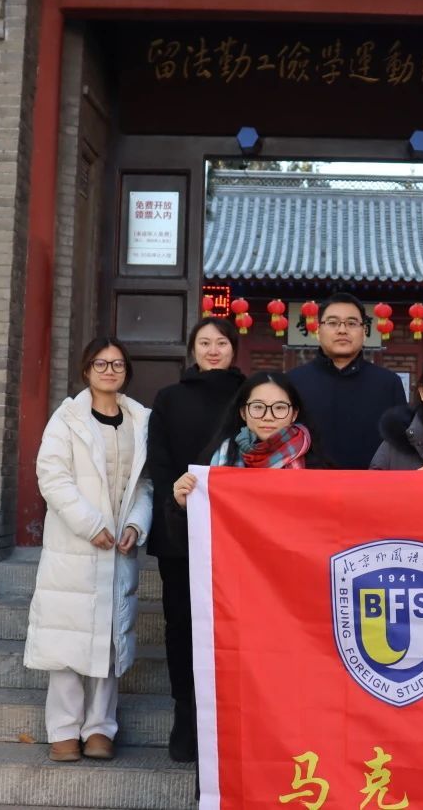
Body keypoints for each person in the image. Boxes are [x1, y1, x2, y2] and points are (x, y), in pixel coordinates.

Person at [24, 337, 151, 762]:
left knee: (109, 642)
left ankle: (99, 728)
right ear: (86, 370)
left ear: (126, 371)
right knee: (67, 643)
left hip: (119, 549)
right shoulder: (67, 419)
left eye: (117, 364)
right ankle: (63, 730)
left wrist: (136, 524)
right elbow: (52, 476)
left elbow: (145, 484)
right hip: (75, 547)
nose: (109, 371)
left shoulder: (140, 421)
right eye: (101, 363)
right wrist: (90, 523)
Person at [145, 318, 244, 764]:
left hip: (236, 534)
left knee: (232, 626)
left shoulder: (248, 395)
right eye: (204, 342)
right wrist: (178, 504)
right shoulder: (169, 398)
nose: (213, 349)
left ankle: (230, 716)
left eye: (221, 342)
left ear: (234, 348)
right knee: (181, 625)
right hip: (180, 528)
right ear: (192, 349)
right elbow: (161, 462)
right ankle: (185, 717)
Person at [171, 372, 333, 510]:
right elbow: (199, 531)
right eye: (258, 407)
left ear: (294, 414)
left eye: (279, 407)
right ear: (243, 412)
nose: (268, 417)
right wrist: (184, 506)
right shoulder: (216, 459)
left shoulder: (317, 466)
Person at [288, 291, 407, 469]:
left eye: (351, 323)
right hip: (308, 483)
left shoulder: (389, 384)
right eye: (332, 323)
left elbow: (401, 446)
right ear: (318, 330)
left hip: (373, 484)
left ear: (364, 332)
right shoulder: (293, 381)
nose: (342, 330)